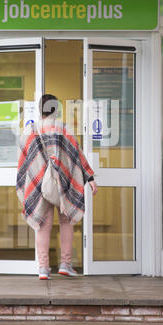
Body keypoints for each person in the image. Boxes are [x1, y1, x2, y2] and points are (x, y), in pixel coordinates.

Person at [16, 94, 98, 280]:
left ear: (40, 109)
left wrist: (30, 180)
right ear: (56, 109)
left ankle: (44, 268)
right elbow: (77, 155)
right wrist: (89, 177)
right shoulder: (63, 129)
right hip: (64, 184)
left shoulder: (30, 130)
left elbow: (23, 162)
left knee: (43, 226)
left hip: (39, 186)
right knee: (66, 221)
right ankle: (65, 264)